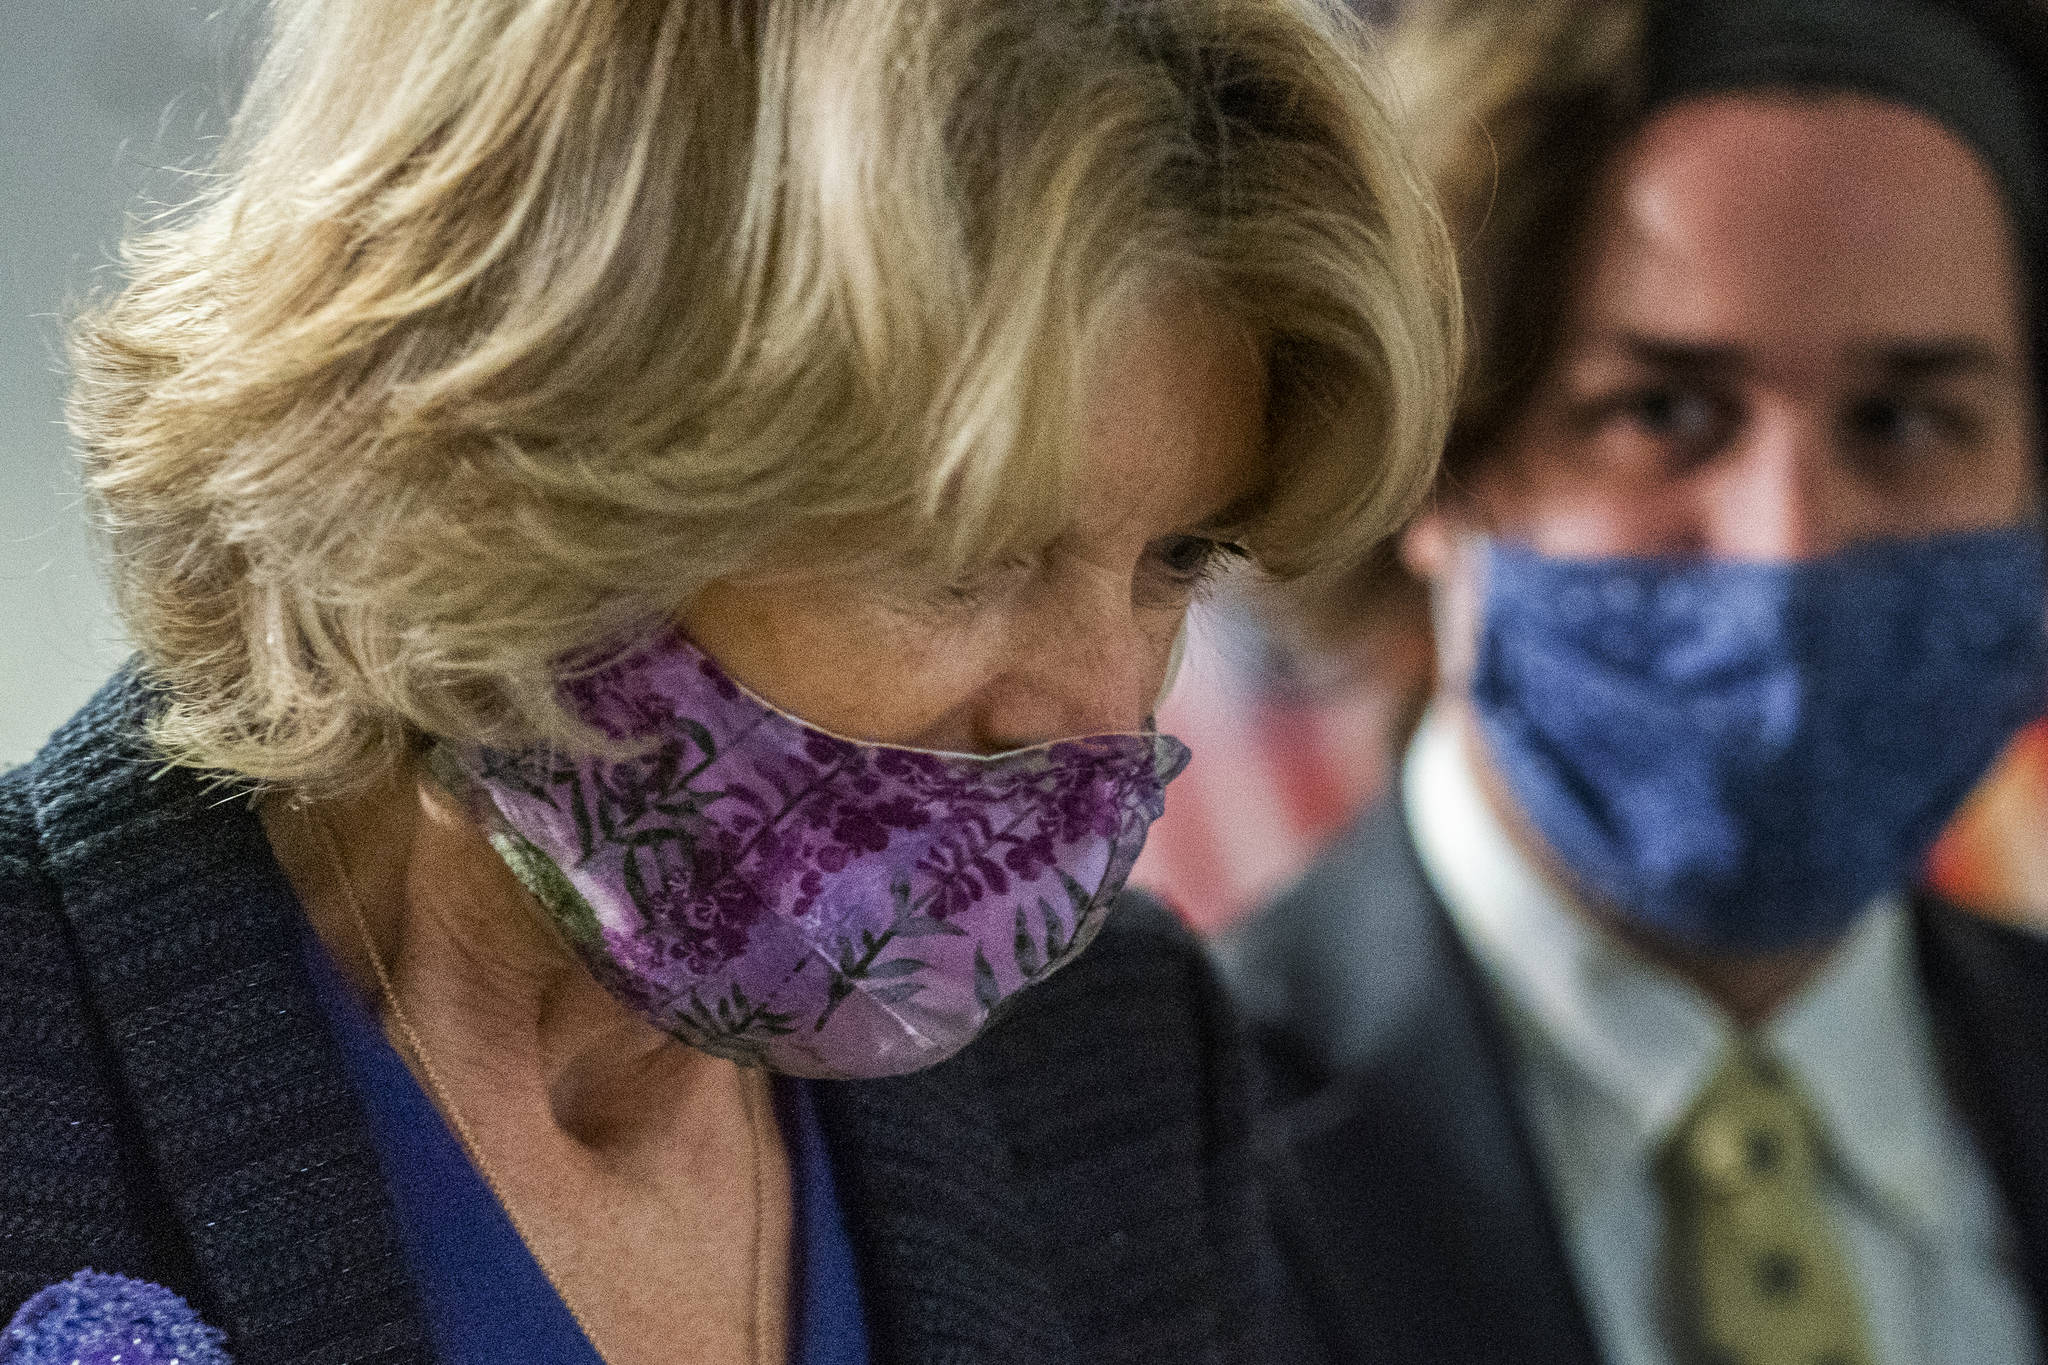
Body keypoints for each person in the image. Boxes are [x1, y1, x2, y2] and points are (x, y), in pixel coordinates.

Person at [0, 1, 1461, 1362]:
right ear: (509, 461)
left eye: (1176, 557)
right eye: (966, 552)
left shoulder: (1115, 1070)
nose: (1099, 709)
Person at [1218, 1, 2048, 1362]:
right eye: (1663, 413)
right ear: (1433, 448)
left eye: (1905, 420)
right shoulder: (1142, 1164)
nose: (1789, 545)